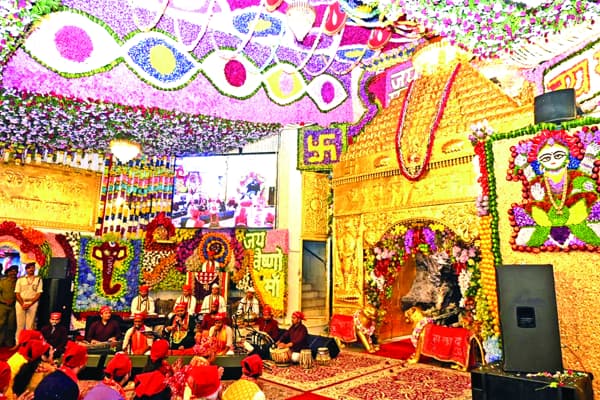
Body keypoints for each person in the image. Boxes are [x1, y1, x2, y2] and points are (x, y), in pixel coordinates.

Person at [14, 262, 43, 343]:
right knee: (20, 325)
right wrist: (22, 304)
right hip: (21, 302)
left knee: (30, 325)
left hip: (32, 303)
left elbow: (39, 293)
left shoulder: (38, 279)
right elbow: (17, 293)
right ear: (26, 269)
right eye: (29, 268)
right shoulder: (20, 279)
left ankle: (27, 343)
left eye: (33, 267)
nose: (31, 269)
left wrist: (30, 303)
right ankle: (18, 343)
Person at [0, 265, 18, 348]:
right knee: (1, 324)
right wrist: (4, 301)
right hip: (2, 306)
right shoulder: (2, 282)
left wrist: (13, 300)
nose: (13, 273)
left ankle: (9, 342)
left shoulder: (19, 282)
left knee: (11, 325)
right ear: (8, 272)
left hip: (13, 306)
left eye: (15, 271)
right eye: (12, 271)